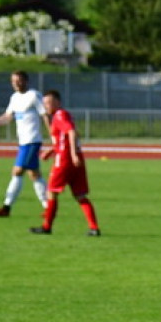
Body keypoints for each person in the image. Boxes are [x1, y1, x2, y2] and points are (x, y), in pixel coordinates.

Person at [30, 90, 100, 237]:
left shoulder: (60, 115)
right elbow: (66, 138)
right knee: (80, 195)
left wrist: (72, 154)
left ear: (58, 102)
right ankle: (94, 228)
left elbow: (72, 132)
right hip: (74, 159)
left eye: (49, 103)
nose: (46, 106)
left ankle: (47, 226)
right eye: (45, 103)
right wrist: (51, 151)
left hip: (64, 161)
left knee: (51, 192)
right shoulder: (63, 115)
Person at [0, 71, 48, 217]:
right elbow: (7, 117)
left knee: (17, 171)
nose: (16, 83)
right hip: (23, 142)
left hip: (32, 141)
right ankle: (49, 207)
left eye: (19, 80)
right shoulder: (15, 98)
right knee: (34, 175)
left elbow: (45, 115)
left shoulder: (34, 95)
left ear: (26, 81)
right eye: (13, 81)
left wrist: (53, 135)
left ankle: (7, 207)